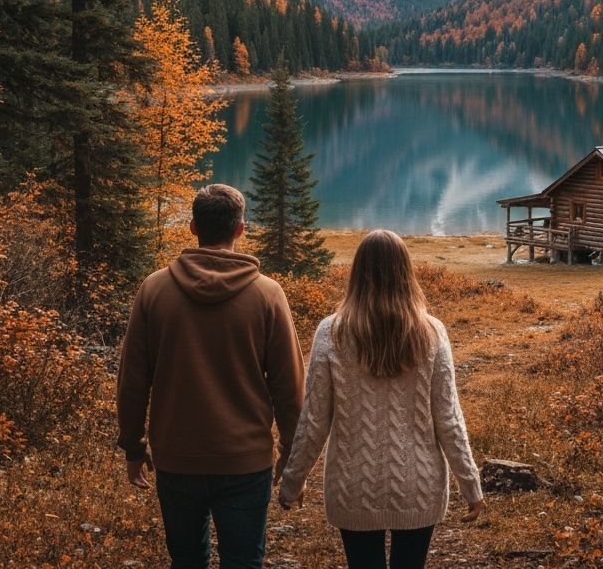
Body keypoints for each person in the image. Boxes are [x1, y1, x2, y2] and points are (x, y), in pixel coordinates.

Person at [116, 184, 304, 569]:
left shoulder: (153, 290)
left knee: (187, 561)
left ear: (192, 227)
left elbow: (133, 381)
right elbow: (289, 388)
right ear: (240, 230)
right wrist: (291, 453)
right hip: (246, 461)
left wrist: (134, 446)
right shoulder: (268, 294)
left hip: (176, 457)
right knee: (243, 562)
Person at [277, 229, 484, 569]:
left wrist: (292, 481)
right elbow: (448, 418)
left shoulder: (331, 332)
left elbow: (315, 420)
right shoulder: (432, 333)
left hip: (352, 485)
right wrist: (471, 486)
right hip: (418, 484)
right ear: (406, 274)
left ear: (357, 274)